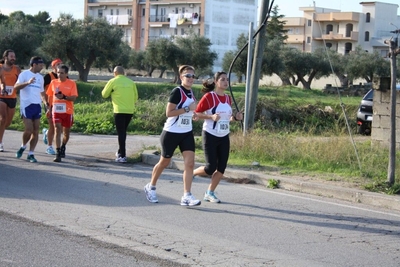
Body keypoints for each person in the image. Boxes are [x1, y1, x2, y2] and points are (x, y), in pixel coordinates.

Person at [144, 65, 201, 206]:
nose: (191, 78)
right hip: (171, 133)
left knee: (190, 163)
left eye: (193, 76)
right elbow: (169, 113)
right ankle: (150, 187)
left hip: (186, 132)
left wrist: (193, 114)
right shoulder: (177, 92)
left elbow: (188, 111)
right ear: (181, 77)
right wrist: (188, 108)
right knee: (164, 162)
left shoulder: (191, 92)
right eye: (188, 76)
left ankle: (187, 195)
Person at [192, 71, 243, 203]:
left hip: (224, 136)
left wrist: (236, 118)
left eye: (227, 80)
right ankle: (192, 173)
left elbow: (227, 118)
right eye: (223, 79)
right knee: (210, 168)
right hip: (210, 134)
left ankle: (210, 192)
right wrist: (210, 117)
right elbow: (196, 114)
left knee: (221, 168)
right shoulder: (210, 97)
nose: (226, 82)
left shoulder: (227, 98)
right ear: (216, 82)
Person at [101, 66, 138, 163]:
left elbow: (104, 95)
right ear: (123, 73)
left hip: (119, 110)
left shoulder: (113, 81)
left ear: (115, 73)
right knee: (123, 132)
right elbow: (136, 97)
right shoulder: (131, 82)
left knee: (121, 133)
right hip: (130, 110)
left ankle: (123, 156)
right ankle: (119, 151)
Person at [14, 56, 47, 163]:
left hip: (37, 105)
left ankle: (31, 154)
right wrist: (27, 83)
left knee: (36, 131)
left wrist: (46, 103)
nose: (42, 67)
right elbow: (16, 87)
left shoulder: (40, 77)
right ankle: (23, 146)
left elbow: (42, 92)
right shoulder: (24, 74)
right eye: (40, 65)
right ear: (34, 64)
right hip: (26, 105)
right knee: (28, 129)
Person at [47, 64, 78, 162]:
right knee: (57, 128)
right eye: (58, 72)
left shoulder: (72, 83)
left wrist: (64, 97)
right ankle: (57, 152)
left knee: (66, 133)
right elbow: (50, 96)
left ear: (66, 74)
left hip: (68, 111)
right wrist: (48, 108)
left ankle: (63, 145)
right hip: (56, 110)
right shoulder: (53, 82)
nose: (59, 75)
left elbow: (73, 98)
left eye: (62, 73)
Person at [0, 49, 21, 152]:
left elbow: (21, 81)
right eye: (11, 56)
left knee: (7, 123)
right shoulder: (0, 68)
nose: (13, 58)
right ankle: (0, 143)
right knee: (2, 119)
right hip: (1, 96)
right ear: (5, 57)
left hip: (12, 97)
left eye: (14, 56)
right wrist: (2, 88)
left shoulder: (16, 69)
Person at [42, 58, 63, 155]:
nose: (59, 65)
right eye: (57, 64)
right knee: (53, 126)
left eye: (61, 64)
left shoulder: (64, 76)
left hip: (61, 105)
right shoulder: (48, 77)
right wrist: (46, 103)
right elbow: (41, 90)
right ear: (53, 66)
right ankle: (49, 147)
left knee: (59, 127)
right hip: (49, 104)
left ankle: (46, 133)